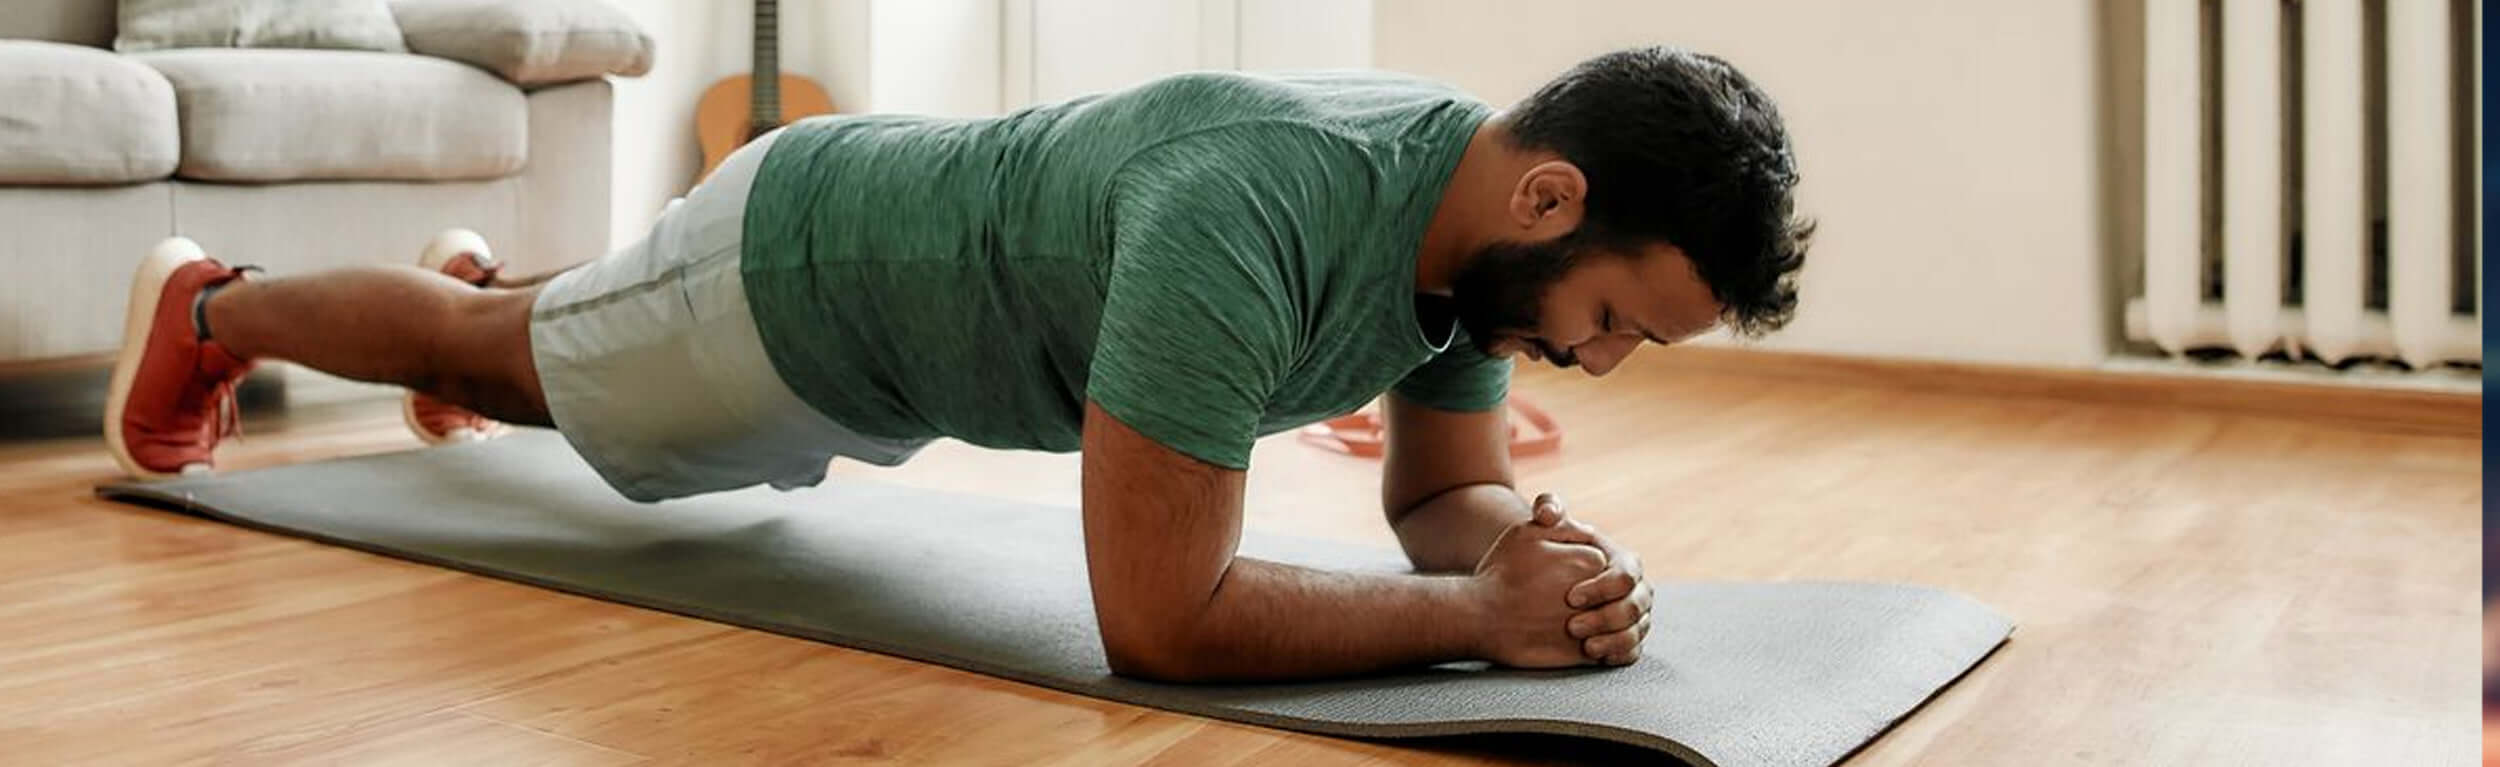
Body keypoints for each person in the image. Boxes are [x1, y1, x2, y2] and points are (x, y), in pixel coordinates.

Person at [103, 45, 1810, 683]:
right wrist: (1472, 625)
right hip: (801, 291)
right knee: (506, 362)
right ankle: (212, 308)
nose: (1592, 367)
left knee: (547, 327)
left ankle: (511, 295)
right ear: (1551, 196)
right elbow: (1161, 619)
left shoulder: (1465, 236)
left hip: (862, 270)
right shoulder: (1253, 213)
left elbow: (1443, 490)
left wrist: (1528, 561)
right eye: (1613, 324)